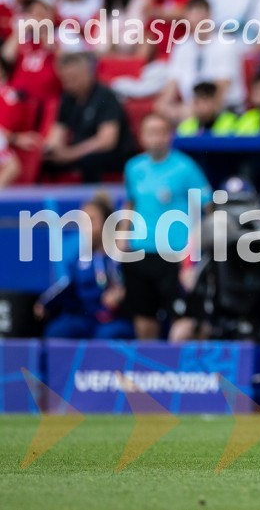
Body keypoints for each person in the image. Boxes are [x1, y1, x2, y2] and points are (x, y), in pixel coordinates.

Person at [122, 113, 212, 339]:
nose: (156, 138)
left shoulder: (185, 167)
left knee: (180, 317)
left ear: (169, 136)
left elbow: (209, 208)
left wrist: (195, 252)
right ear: (142, 136)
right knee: (144, 317)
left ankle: (180, 371)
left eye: (161, 132)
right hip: (140, 250)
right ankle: (146, 370)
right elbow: (130, 202)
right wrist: (122, 236)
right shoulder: (133, 167)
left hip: (175, 253)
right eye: (150, 132)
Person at [37, 192, 133, 339]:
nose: (86, 228)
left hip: (116, 319)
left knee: (107, 334)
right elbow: (68, 287)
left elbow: (138, 289)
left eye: (92, 221)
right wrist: (45, 304)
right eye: (82, 222)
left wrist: (121, 295)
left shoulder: (123, 256)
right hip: (87, 317)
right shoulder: (81, 259)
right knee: (58, 331)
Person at [41, 52, 135, 182]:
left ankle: (93, 200)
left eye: (73, 78)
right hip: (78, 150)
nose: (68, 84)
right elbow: (58, 131)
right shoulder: (67, 98)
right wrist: (52, 150)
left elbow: (107, 141)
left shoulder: (105, 96)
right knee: (46, 162)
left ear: (87, 74)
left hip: (113, 153)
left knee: (90, 161)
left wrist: (71, 153)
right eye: (65, 79)